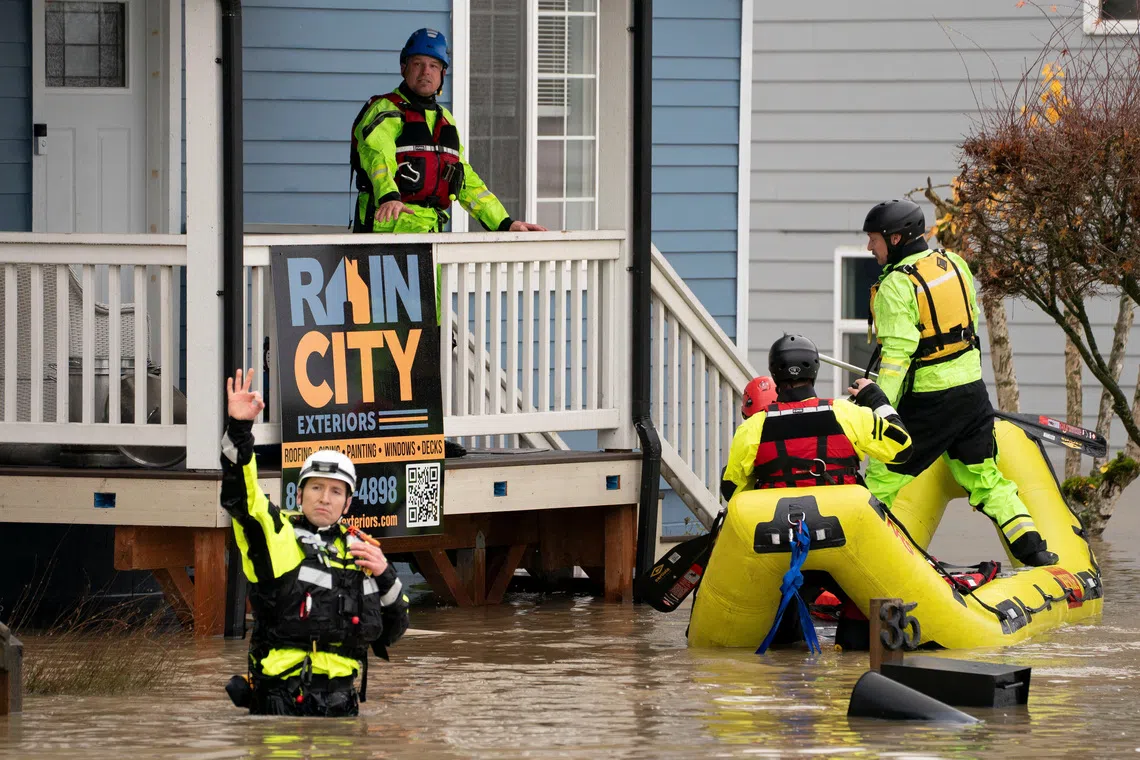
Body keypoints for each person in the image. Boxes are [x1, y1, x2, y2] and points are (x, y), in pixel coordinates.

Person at [861, 198, 1057, 567]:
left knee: (881, 476)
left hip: (930, 400)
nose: (869, 247)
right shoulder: (954, 264)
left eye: (874, 239)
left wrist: (877, 404)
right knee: (983, 475)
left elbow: (897, 358)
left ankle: (848, 560)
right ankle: (1034, 549)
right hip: (972, 392)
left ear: (897, 238)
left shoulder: (896, 286)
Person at [220, 368, 410, 717]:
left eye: (336, 491)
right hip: (282, 704)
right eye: (316, 487)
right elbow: (241, 497)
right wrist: (239, 429)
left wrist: (385, 574)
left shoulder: (362, 552)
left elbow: (394, 627)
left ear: (348, 503)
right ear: (300, 493)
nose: (325, 498)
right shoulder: (276, 535)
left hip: (342, 707)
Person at [350, 28, 547, 234]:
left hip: (431, 235)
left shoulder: (445, 119)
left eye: (434, 65)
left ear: (443, 74)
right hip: (387, 229)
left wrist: (504, 223)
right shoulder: (386, 109)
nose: (426, 71)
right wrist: (389, 196)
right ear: (403, 68)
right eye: (418, 64)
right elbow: (377, 155)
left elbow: (464, 179)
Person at [721, 334, 913, 502]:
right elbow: (902, 449)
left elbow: (731, 489)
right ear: (815, 370)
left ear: (774, 374)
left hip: (778, 529)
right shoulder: (846, 412)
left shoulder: (753, 426)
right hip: (845, 522)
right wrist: (875, 398)